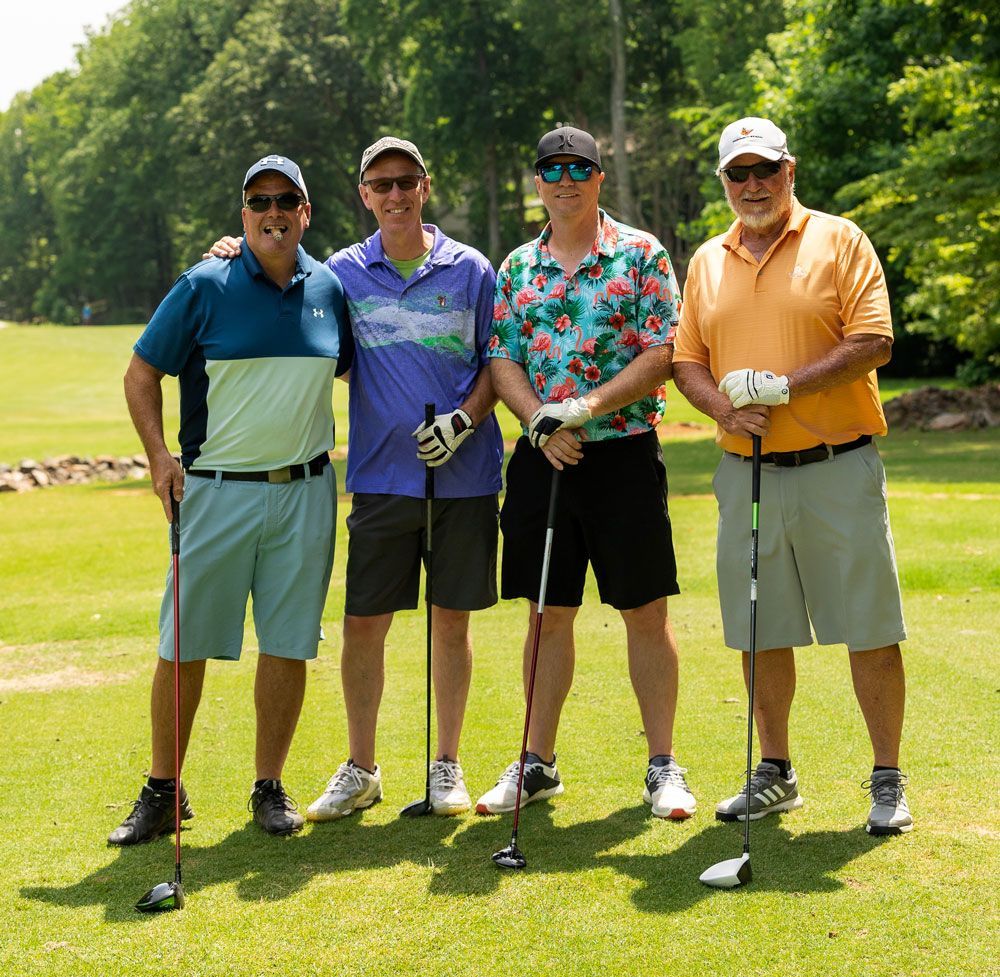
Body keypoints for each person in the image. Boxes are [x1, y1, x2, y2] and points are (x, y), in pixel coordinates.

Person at [207, 137, 502, 818]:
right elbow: (289, 292)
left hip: (465, 479)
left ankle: (447, 766)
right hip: (380, 479)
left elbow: (499, 359)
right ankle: (362, 767)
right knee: (364, 626)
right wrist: (236, 251)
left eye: (405, 182)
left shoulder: (472, 270)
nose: (394, 195)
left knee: (450, 625)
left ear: (424, 186)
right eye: (380, 185)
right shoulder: (341, 274)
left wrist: (463, 418)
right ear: (363, 195)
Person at [672, 117, 912, 835]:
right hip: (748, 473)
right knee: (758, 626)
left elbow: (874, 341)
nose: (752, 186)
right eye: (738, 174)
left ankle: (888, 777)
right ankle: (775, 772)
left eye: (764, 171)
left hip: (838, 464)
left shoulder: (840, 240)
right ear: (723, 181)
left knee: (868, 626)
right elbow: (687, 360)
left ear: (789, 172)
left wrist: (781, 388)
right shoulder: (707, 260)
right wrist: (723, 406)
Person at [109, 154, 352, 846]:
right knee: (183, 643)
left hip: (305, 493)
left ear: (306, 211)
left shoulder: (329, 289)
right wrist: (159, 456)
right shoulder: (204, 284)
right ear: (243, 214)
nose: (273, 212)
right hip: (215, 491)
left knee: (288, 644)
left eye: (286, 200)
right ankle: (163, 789)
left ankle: (268, 786)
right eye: (259, 201)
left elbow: (352, 368)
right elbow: (140, 373)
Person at [480, 125, 696, 820]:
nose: (564, 179)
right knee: (547, 617)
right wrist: (542, 418)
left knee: (644, 612)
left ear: (599, 177)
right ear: (537, 183)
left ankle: (662, 765)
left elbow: (663, 350)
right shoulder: (517, 268)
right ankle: (536, 763)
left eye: (578, 168)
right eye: (551, 169)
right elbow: (502, 357)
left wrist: (584, 408)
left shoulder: (641, 255)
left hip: (623, 456)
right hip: (546, 461)